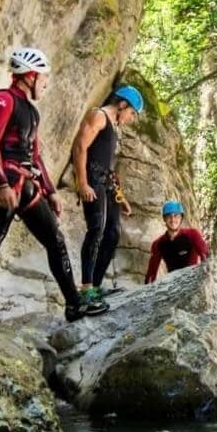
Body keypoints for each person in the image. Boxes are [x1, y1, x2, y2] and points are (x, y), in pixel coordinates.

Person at [0, 46, 105, 325]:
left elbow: (34, 155)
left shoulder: (31, 111)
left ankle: (74, 305)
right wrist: (2, 184)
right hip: (6, 187)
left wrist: (50, 192)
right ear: (29, 76)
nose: (45, 82)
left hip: (25, 186)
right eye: (43, 76)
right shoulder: (2, 100)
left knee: (55, 240)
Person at [70, 85, 143, 308]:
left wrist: (120, 197)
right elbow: (80, 147)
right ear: (122, 104)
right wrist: (82, 182)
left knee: (112, 232)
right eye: (132, 113)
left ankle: (97, 286)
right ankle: (86, 289)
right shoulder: (99, 115)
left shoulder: (113, 125)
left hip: (105, 182)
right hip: (91, 179)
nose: (131, 119)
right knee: (96, 230)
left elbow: (107, 165)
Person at [145, 201, 209, 283]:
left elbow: (205, 256)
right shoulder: (158, 243)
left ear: (181, 218)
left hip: (192, 281)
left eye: (176, 216)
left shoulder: (192, 235)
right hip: (174, 286)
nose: (172, 220)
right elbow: (151, 273)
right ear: (164, 219)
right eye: (169, 216)